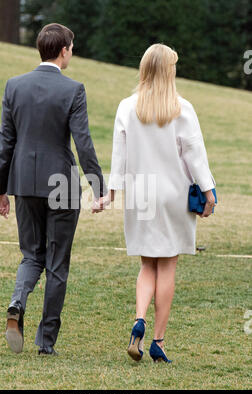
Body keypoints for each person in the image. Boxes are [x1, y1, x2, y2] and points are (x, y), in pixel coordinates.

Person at [0, 23, 108, 355]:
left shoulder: (14, 86)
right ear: (64, 51)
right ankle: (46, 342)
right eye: (72, 47)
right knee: (57, 262)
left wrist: (0, 190)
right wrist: (98, 187)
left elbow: (6, 144)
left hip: (24, 182)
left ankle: (17, 301)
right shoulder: (73, 90)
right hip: (62, 185)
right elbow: (83, 143)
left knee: (31, 255)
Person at [105, 44, 217, 363]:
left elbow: (119, 158)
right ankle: (158, 340)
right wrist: (209, 193)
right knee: (167, 265)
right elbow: (195, 157)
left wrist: (111, 192)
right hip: (173, 195)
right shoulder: (182, 108)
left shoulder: (127, 107)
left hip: (140, 193)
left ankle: (138, 319)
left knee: (146, 264)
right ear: (170, 71)